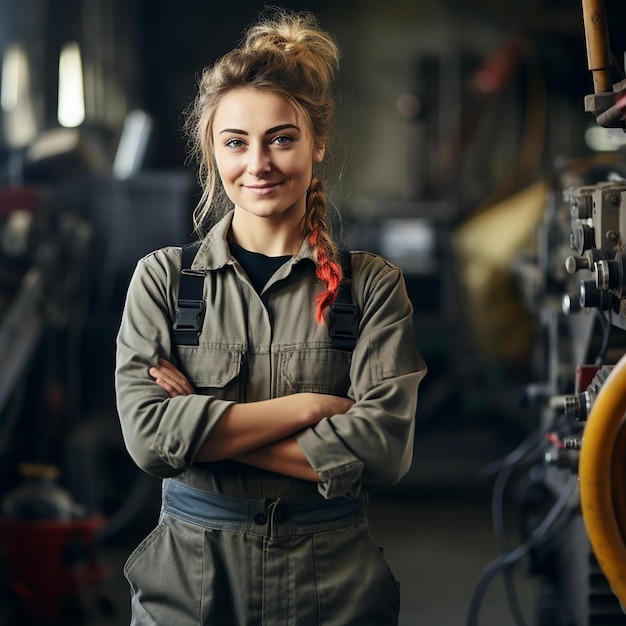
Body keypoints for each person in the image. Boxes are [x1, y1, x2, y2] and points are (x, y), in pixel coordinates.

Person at [115, 7, 426, 625]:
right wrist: (311, 409)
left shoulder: (370, 289)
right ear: (212, 149)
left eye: (281, 138)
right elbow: (149, 440)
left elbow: (383, 450)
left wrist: (199, 433)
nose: (257, 164)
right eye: (235, 142)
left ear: (318, 144)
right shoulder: (164, 281)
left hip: (331, 580)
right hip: (189, 581)